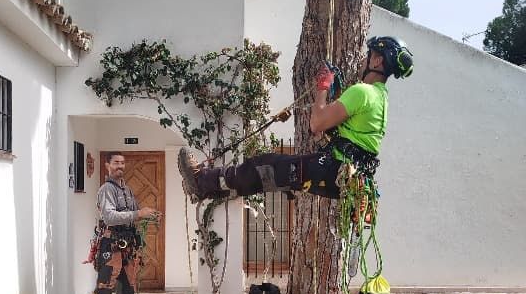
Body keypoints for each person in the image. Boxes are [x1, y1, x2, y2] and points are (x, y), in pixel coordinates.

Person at [177, 36, 413, 202]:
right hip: (344, 176)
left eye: (368, 55)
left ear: (377, 61)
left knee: (263, 166)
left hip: (333, 169)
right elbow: (335, 133)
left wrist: (323, 87)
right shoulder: (381, 99)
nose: (364, 60)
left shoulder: (363, 92)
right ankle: (206, 189)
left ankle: (201, 182)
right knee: (266, 176)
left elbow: (316, 123)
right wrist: (335, 96)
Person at [86, 152, 158, 294]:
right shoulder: (106, 189)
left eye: (122, 163)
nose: (120, 166)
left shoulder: (126, 190)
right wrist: (138, 214)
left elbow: (135, 214)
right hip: (110, 247)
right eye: (116, 162)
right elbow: (109, 216)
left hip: (128, 248)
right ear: (107, 165)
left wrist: (148, 215)